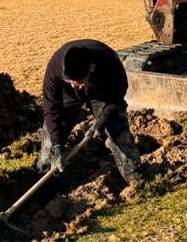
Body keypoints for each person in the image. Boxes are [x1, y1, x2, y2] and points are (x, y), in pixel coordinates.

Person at [37, 39, 141, 183]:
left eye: (79, 82)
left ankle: (134, 178)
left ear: (91, 68)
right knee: (50, 143)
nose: (76, 86)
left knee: (116, 127)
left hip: (102, 92)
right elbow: (50, 107)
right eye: (71, 82)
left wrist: (101, 122)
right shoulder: (55, 68)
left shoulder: (109, 62)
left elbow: (116, 99)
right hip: (67, 95)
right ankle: (46, 184)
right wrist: (57, 144)